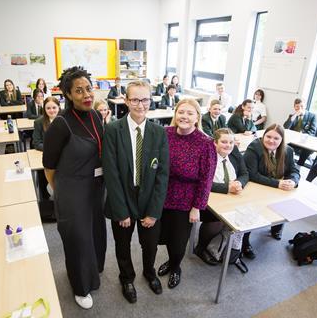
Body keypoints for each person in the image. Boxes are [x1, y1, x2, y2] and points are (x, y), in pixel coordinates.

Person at [42, 66, 106, 309]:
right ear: (68, 94)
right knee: (78, 239)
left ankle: (93, 272)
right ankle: (80, 287)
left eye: (88, 88)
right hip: (71, 190)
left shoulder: (97, 116)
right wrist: (60, 191)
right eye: (78, 90)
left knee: (96, 233)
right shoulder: (61, 124)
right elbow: (48, 166)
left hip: (95, 187)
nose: (86, 94)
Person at [103, 80, 169, 304]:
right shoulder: (112, 130)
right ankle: (126, 278)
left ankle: (149, 272)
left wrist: (154, 211)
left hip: (149, 199)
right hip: (122, 196)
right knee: (122, 245)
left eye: (145, 99)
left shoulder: (159, 132)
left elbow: (162, 175)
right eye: (135, 100)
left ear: (151, 100)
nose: (140, 105)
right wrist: (121, 212)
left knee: (149, 245)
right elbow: (111, 175)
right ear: (126, 100)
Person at [158, 99, 216, 289]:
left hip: (186, 200)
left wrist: (197, 207)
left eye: (190, 113)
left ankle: (176, 267)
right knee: (165, 235)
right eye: (181, 112)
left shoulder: (205, 143)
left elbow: (206, 180)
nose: (184, 116)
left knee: (179, 240)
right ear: (175, 114)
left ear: (197, 117)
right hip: (163, 196)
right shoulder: (165, 134)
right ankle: (172, 260)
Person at [194, 128, 250, 265]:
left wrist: (239, 183)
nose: (228, 145)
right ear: (215, 143)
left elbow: (245, 173)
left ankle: (231, 248)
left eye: (231, 142)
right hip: (207, 198)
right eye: (224, 142)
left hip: (232, 197)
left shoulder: (234, 152)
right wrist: (226, 188)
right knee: (217, 220)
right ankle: (200, 248)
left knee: (247, 215)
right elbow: (200, 180)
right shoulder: (207, 154)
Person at [244, 124, 300, 241]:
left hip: (277, 188)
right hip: (256, 186)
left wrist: (293, 181)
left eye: (276, 138)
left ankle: (277, 227)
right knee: (252, 211)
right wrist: (278, 184)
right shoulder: (254, 148)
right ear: (263, 136)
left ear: (282, 140)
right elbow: (252, 175)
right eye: (268, 136)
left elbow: (294, 170)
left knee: (284, 199)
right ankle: (245, 240)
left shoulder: (288, 150)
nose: (271, 141)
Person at [283, 98, 317, 165]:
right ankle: (285, 163)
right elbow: (286, 127)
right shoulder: (292, 116)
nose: (299, 108)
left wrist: (302, 136)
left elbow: (312, 131)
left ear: (305, 106)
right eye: (297, 106)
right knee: (282, 144)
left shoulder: (312, 116)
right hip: (292, 140)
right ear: (294, 107)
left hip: (304, 141)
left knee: (308, 148)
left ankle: (300, 164)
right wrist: (295, 116)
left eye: (302, 106)